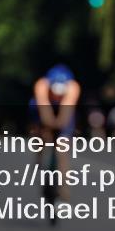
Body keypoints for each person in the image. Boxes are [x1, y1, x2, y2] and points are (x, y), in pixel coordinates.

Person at [30, 64, 81, 200]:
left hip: (63, 109)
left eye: (60, 94)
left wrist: (60, 127)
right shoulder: (42, 85)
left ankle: (64, 189)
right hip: (42, 106)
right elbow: (44, 110)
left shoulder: (73, 87)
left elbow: (66, 112)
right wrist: (48, 126)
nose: (57, 96)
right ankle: (39, 157)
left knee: (62, 148)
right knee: (40, 134)